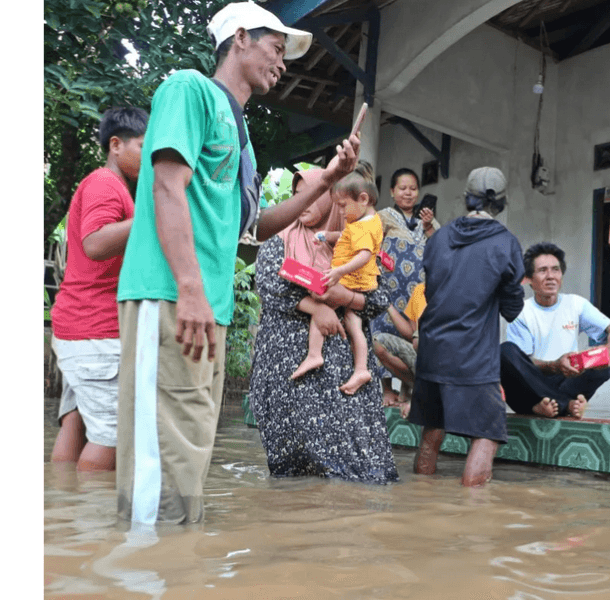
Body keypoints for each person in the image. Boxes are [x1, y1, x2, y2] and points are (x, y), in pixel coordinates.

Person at [114, 1, 361, 525]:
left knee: (190, 451)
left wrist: (330, 179)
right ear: (241, 37)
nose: (283, 62)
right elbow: (165, 185)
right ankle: (145, 568)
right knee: (161, 456)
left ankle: (174, 567)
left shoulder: (241, 133)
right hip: (170, 295)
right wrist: (190, 288)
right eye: (277, 48)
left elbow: (253, 228)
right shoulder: (189, 89)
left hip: (207, 305)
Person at [248, 169, 398, 483]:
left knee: (355, 472)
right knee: (295, 472)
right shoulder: (281, 240)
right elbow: (268, 285)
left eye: (316, 196)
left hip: (344, 374)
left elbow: (380, 297)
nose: (303, 204)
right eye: (298, 196)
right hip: (289, 368)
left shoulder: (355, 241)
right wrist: (317, 308)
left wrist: (348, 298)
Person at [407, 167, 525, 487]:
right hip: (472, 356)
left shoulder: (439, 237)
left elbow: (431, 293)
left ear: (465, 199)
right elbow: (513, 309)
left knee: (432, 432)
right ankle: (472, 526)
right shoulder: (506, 243)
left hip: (431, 349)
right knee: (486, 434)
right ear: (502, 203)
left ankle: (420, 502)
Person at [50, 107, 148, 472]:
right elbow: (95, 242)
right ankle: (94, 525)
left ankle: (60, 512)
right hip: (95, 331)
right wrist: (155, 212)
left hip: (78, 328)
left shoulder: (107, 185)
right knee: (112, 438)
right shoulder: (106, 183)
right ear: (116, 145)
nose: (150, 155)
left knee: (74, 422)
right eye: (143, 145)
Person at [500, 242, 610, 419]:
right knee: (505, 352)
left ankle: (549, 405)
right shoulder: (521, 312)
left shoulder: (575, 303)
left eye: (556, 270)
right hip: (533, 384)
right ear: (529, 278)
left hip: (569, 380)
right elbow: (523, 364)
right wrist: (555, 366)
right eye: (543, 270)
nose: (550, 276)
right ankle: (566, 405)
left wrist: (609, 350)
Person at [290, 161, 383, 397]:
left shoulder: (362, 226)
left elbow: (364, 255)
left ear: (362, 199)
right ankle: (361, 368)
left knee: (323, 301)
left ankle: (314, 354)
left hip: (352, 282)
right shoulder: (363, 223)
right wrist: (328, 236)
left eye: (342, 206)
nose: (340, 212)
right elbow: (346, 237)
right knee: (354, 325)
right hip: (355, 283)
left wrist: (341, 276)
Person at [372, 168, 439, 405]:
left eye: (412, 189)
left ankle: (407, 390)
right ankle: (387, 389)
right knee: (384, 331)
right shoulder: (383, 217)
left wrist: (430, 225)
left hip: (418, 290)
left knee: (414, 338)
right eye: (402, 188)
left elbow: (442, 245)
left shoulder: (427, 220)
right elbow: (370, 244)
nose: (408, 193)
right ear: (392, 191)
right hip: (390, 287)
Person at [373, 281, 426, 418]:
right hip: (422, 359)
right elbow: (410, 333)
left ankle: (424, 394)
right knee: (379, 342)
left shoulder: (453, 292)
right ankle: (417, 387)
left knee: (421, 340)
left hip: (447, 365)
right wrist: (388, 305)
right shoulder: (420, 290)